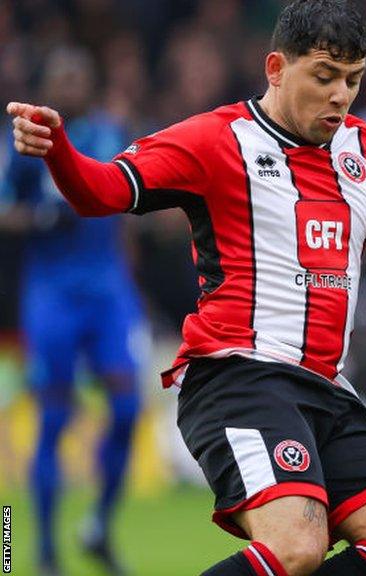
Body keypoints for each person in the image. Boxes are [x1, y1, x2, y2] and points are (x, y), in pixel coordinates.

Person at [7, 2, 366, 575]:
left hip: (326, 388)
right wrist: (59, 151)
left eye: (353, 80)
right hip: (238, 375)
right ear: (276, 68)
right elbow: (103, 192)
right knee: (296, 545)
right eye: (324, 76)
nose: (340, 95)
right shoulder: (216, 140)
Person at [0, 46, 143, 576]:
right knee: (54, 416)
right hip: (53, 295)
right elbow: (4, 210)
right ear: (47, 86)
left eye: (79, 75)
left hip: (108, 293)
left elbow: (129, 206)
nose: (72, 84)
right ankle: (38, 549)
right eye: (62, 75)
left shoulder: (111, 132)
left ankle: (99, 526)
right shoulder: (24, 140)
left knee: (128, 409)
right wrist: (40, 216)